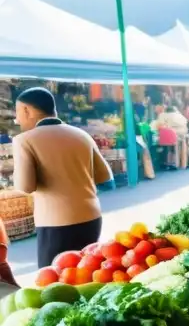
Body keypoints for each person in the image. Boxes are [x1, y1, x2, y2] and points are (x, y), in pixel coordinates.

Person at [12, 87, 113, 268]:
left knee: (53, 281)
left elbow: (25, 186)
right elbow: (104, 175)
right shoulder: (81, 135)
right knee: (87, 274)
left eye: (18, 112)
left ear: (27, 110)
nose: (17, 119)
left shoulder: (24, 140)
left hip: (56, 223)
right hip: (91, 217)